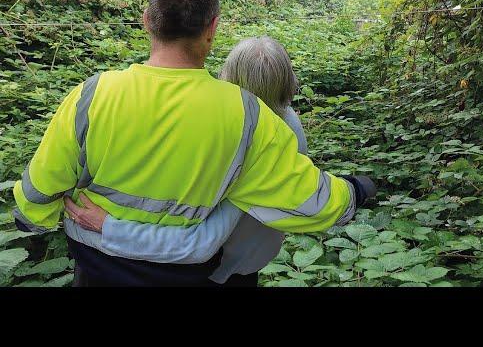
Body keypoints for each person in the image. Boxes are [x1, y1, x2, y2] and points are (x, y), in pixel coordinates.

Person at [12, 0, 375, 287]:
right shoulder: (247, 114)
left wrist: (33, 219)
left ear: (146, 20)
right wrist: (355, 191)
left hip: (96, 265)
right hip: (185, 275)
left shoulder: (92, 94)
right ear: (212, 28)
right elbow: (310, 200)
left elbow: (43, 183)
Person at [64, 36, 334, 286]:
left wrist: (109, 228)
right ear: (288, 82)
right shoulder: (288, 125)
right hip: (247, 261)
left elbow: (200, 243)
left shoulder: (247, 142)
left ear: (229, 78)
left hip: (212, 270)